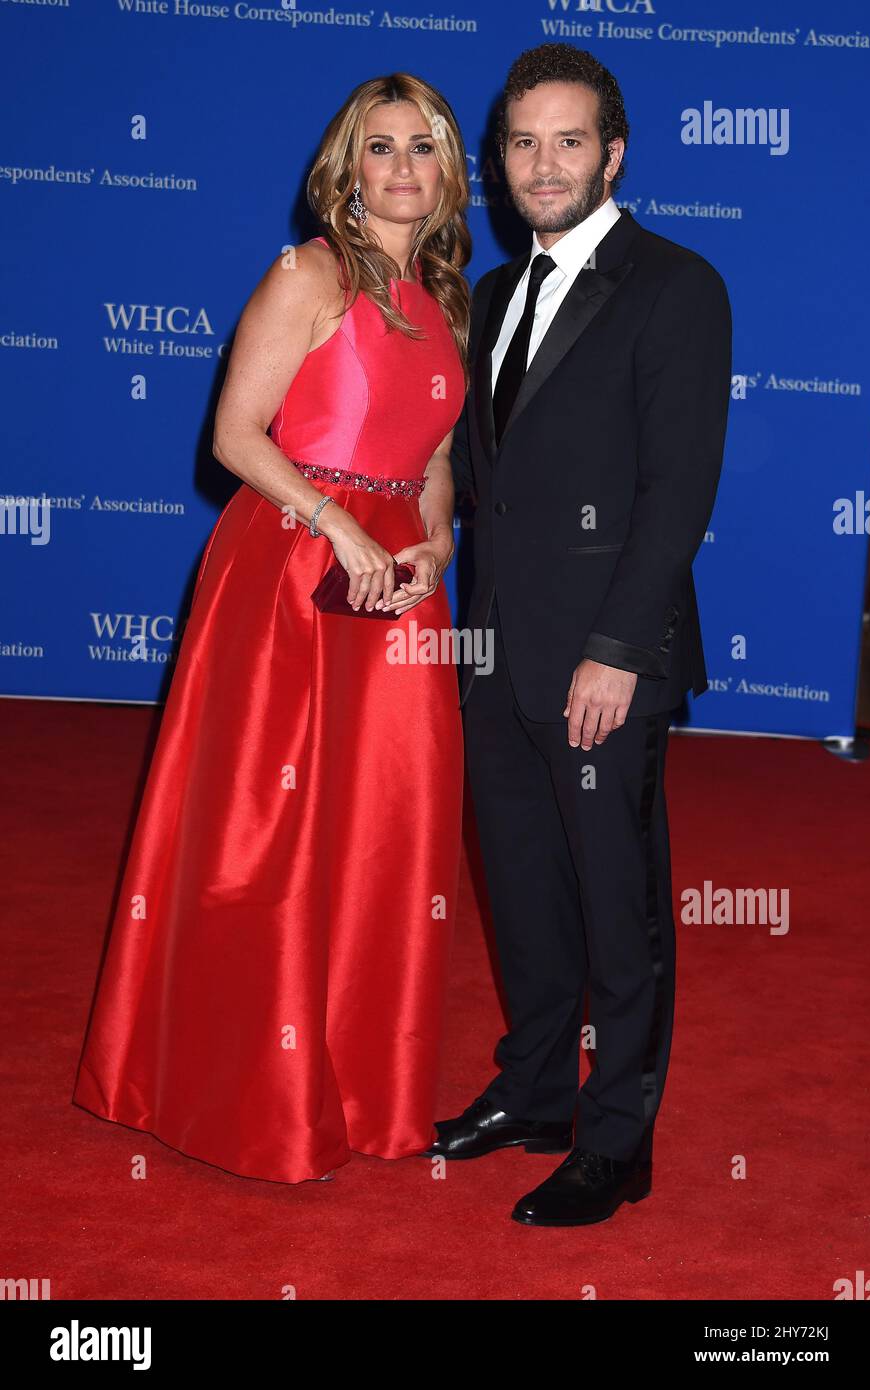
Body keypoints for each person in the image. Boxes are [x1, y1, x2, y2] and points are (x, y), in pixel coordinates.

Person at [73, 74, 472, 1185]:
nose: (401, 168)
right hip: (294, 567)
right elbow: (236, 436)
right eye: (379, 148)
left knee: (385, 829)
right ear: (346, 170)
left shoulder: (445, 296)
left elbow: (436, 461)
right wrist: (339, 521)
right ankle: (248, 1090)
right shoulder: (310, 273)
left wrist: (435, 547)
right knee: (267, 825)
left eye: (423, 148)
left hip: (398, 586)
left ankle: (359, 1082)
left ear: (447, 172)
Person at [429, 43, 732, 1227]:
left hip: (605, 658)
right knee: (525, 889)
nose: (542, 164)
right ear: (498, 163)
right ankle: (540, 1091)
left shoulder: (676, 284)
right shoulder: (494, 296)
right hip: (497, 652)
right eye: (520, 143)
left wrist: (616, 649)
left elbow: (677, 495)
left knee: (620, 904)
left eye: (567, 140)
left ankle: (618, 1139)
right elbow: (480, 479)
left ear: (614, 153)